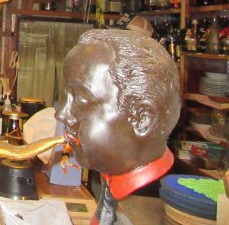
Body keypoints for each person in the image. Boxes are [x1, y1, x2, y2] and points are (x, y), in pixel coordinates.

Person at [55, 29, 180, 225]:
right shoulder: (115, 178)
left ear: (142, 119)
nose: (61, 114)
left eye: (81, 99)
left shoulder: (151, 210)